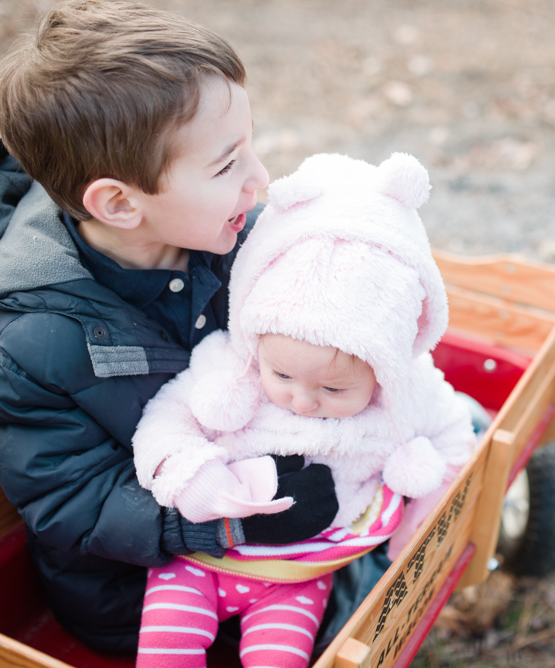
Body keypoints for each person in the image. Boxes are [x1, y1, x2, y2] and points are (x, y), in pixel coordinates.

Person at [0, 0, 339, 653]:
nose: (259, 180)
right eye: (227, 165)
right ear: (118, 203)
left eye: (251, 149)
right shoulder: (30, 350)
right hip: (145, 596)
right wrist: (223, 523)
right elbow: (76, 501)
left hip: (272, 533)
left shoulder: (234, 242)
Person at [130, 153, 477, 667]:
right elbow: (163, 423)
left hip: (301, 575)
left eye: (334, 391)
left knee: (280, 659)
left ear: (383, 372)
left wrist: (413, 530)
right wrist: (191, 476)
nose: (301, 400)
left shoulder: (405, 392)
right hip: (198, 559)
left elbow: (454, 441)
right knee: (165, 652)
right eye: (284, 377)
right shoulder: (231, 363)